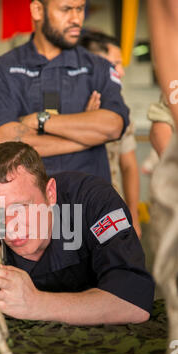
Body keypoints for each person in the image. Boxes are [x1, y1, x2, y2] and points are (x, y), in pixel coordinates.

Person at [0, 141, 154, 325]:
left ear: (50, 193)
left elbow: (133, 303)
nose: (10, 228)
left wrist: (35, 303)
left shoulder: (93, 201)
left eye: (20, 208)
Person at [0, 0, 130, 181]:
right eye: (66, 9)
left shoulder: (98, 67)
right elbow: (2, 140)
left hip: (88, 199)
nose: (76, 19)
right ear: (37, 10)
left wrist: (40, 120)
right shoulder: (3, 68)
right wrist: (86, 139)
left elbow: (112, 127)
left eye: (80, 9)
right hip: (28, 202)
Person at [79, 31, 141, 238]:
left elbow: (129, 165)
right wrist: (85, 123)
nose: (121, 72)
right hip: (74, 212)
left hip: (113, 211)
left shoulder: (120, 111)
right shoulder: (65, 109)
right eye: (114, 65)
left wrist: (134, 215)